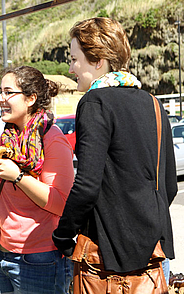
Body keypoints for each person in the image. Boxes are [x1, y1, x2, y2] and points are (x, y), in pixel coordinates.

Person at [52, 17, 177, 288]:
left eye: (75, 59)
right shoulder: (154, 104)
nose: (71, 68)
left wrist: (63, 235)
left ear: (98, 61)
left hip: (105, 262)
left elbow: (86, 185)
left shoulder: (94, 102)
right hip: (153, 256)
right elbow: (169, 186)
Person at [0, 66, 74, 294]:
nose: (1, 99)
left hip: (40, 258)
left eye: (8, 92)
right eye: (0, 92)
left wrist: (18, 176)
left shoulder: (52, 139)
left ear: (30, 99)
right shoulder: (6, 138)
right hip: (1, 254)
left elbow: (60, 203)